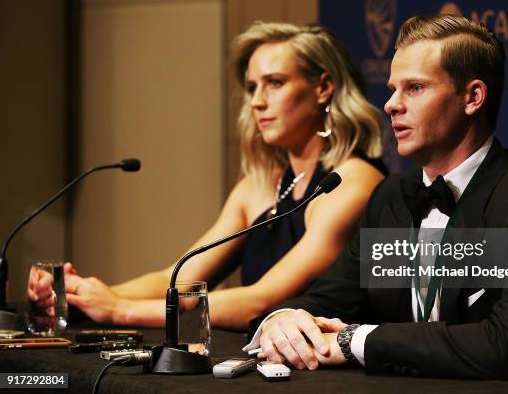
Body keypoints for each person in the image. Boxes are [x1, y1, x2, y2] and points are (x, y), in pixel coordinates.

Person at [248, 15, 508, 392]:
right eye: (393, 89)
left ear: (472, 97)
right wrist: (282, 318)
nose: (390, 105)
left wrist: (355, 341)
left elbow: (506, 344)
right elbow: (331, 297)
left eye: (414, 88)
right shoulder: (393, 196)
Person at [28, 22, 386, 330]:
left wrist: (119, 310)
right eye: (251, 87)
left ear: (323, 88)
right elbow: (180, 278)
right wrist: (83, 293)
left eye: (274, 83)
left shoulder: (353, 183)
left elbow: (262, 303)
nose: (257, 102)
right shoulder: (260, 185)